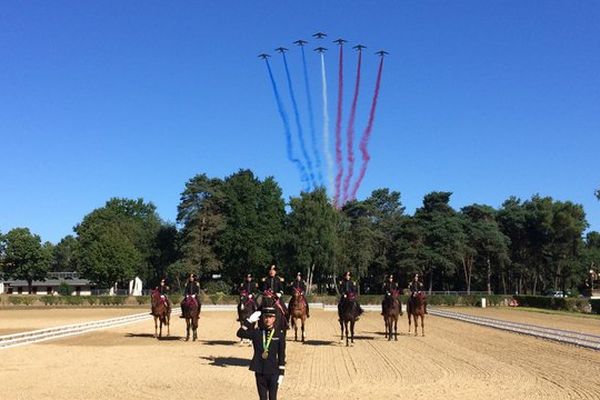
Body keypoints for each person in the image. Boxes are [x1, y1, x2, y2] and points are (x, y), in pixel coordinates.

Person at [237, 307, 286, 400]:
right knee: (262, 398)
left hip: (273, 371)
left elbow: (281, 355)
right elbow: (240, 333)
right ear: (262, 318)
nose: (268, 320)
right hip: (260, 370)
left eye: (270, 317)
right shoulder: (257, 333)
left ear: (274, 319)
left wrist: (281, 373)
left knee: (273, 398)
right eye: (266, 317)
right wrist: (249, 321)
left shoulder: (279, 335)